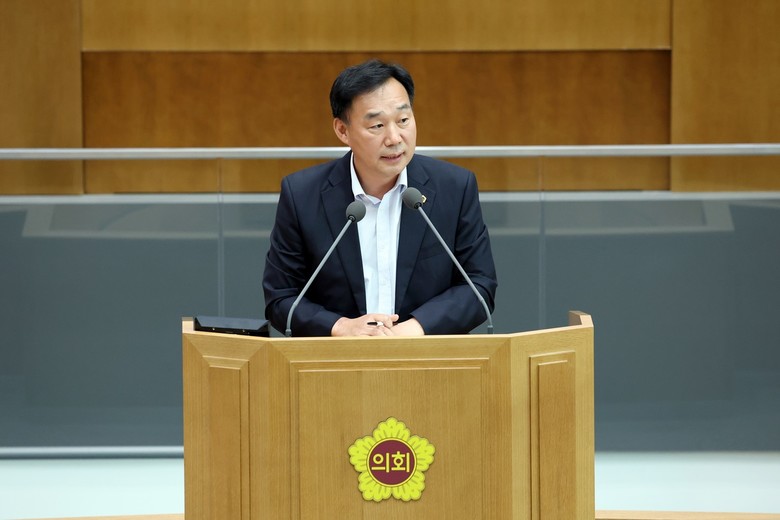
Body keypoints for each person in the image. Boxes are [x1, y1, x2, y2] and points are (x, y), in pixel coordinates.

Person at [263, 59, 497, 337]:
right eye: (377, 125)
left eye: (403, 120)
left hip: (428, 356)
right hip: (337, 359)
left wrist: (415, 329)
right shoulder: (302, 195)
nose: (394, 138)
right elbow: (281, 297)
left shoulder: (454, 187)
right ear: (342, 130)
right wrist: (341, 327)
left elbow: (478, 286)